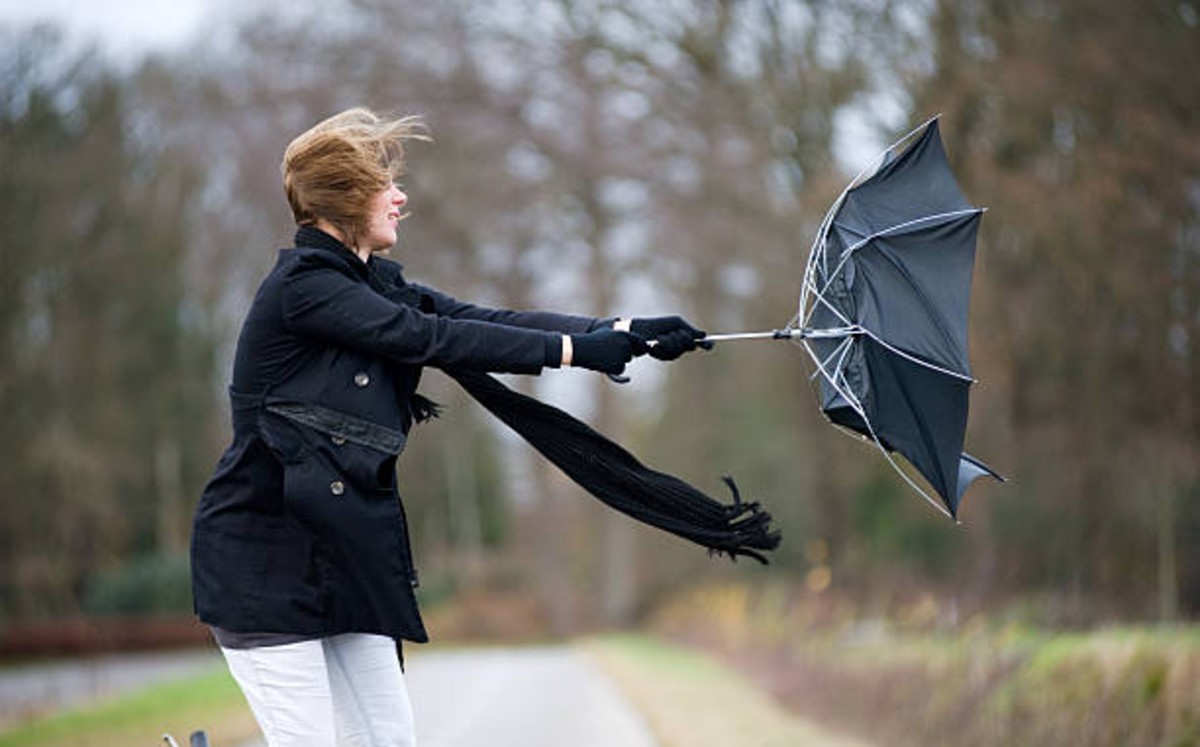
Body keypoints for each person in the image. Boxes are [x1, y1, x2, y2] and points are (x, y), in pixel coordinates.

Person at [189, 107, 708, 747]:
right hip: (262, 565)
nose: (400, 197)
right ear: (347, 199)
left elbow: (479, 317)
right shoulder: (305, 290)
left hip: (342, 556)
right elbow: (431, 337)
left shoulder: (372, 282)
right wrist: (575, 355)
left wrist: (618, 332)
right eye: (385, 185)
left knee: (388, 739)